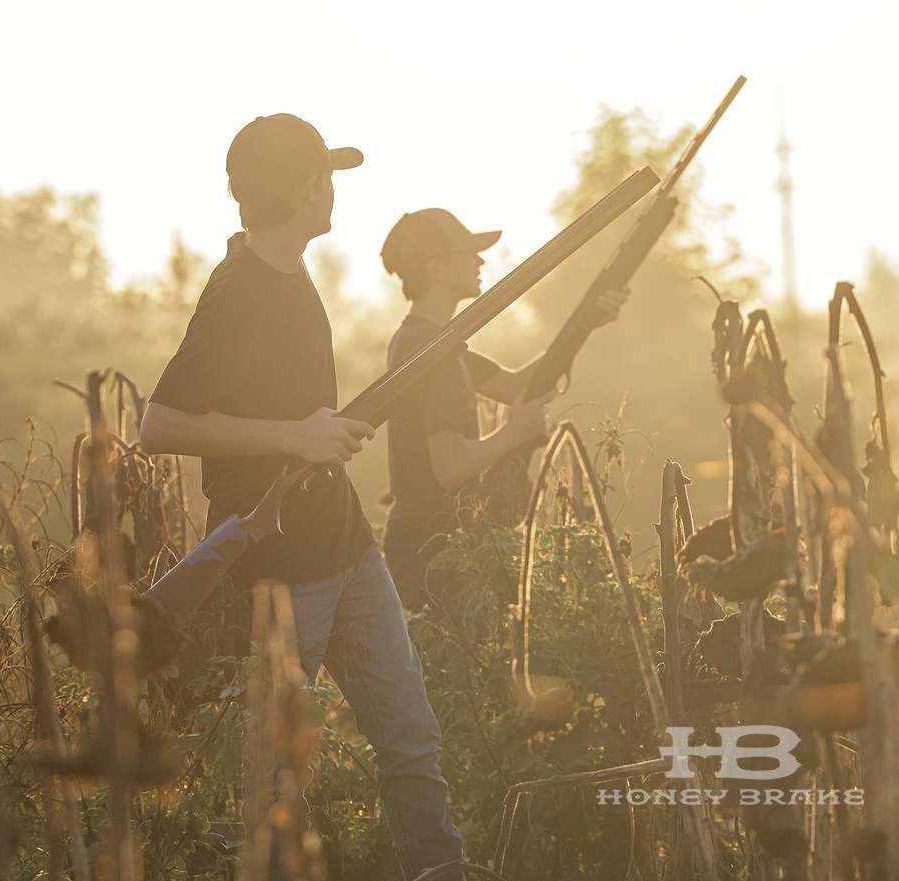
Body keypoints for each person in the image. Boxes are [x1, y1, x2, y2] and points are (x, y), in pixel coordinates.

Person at [140, 114, 464, 880]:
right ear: (302, 188)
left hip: (348, 546)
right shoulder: (238, 291)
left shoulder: (285, 268)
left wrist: (322, 434)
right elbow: (159, 424)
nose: (331, 190)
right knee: (278, 779)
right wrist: (298, 437)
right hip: (283, 572)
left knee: (413, 741)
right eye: (323, 176)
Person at [379, 208, 630, 609]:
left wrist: (586, 323)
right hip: (431, 554)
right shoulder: (429, 352)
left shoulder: (433, 343)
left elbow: (517, 386)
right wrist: (516, 432)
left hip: (436, 545)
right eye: (469, 253)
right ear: (438, 267)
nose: (480, 261)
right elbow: (450, 466)